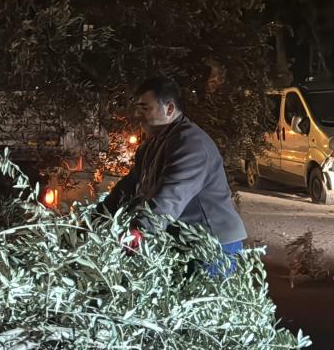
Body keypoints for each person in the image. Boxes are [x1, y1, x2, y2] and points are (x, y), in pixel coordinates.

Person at [99, 76, 247, 275]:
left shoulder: (190, 144)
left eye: (145, 108)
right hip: (183, 242)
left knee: (199, 302)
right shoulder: (152, 145)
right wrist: (98, 217)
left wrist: (139, 230)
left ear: (169, 109)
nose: (137, 114)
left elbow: (170, 196)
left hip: (212, 246)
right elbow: (129, 187)